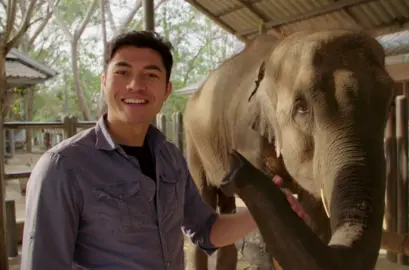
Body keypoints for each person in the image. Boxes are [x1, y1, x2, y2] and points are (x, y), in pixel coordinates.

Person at [20, 30, 310, 270]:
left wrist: (268, 209)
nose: (136, 85)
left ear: (166, 90)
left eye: (150, 75)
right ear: (104, 82)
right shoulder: (62, 167)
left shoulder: (168, 156)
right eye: (123, 72)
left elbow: (206, 229)